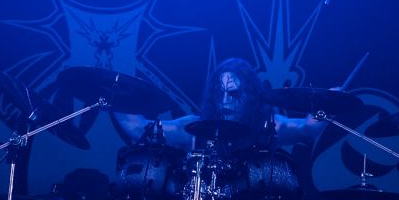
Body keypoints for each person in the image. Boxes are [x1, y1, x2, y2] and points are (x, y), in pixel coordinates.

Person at [114, 57, 325, 151]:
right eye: (219, 93)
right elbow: (137, 129)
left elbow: (306, 129)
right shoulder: (194, 128)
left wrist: (328, 104)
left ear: (251, 96)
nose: (225, 101)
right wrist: (115, 96)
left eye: (233, 94)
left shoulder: (268, 127)